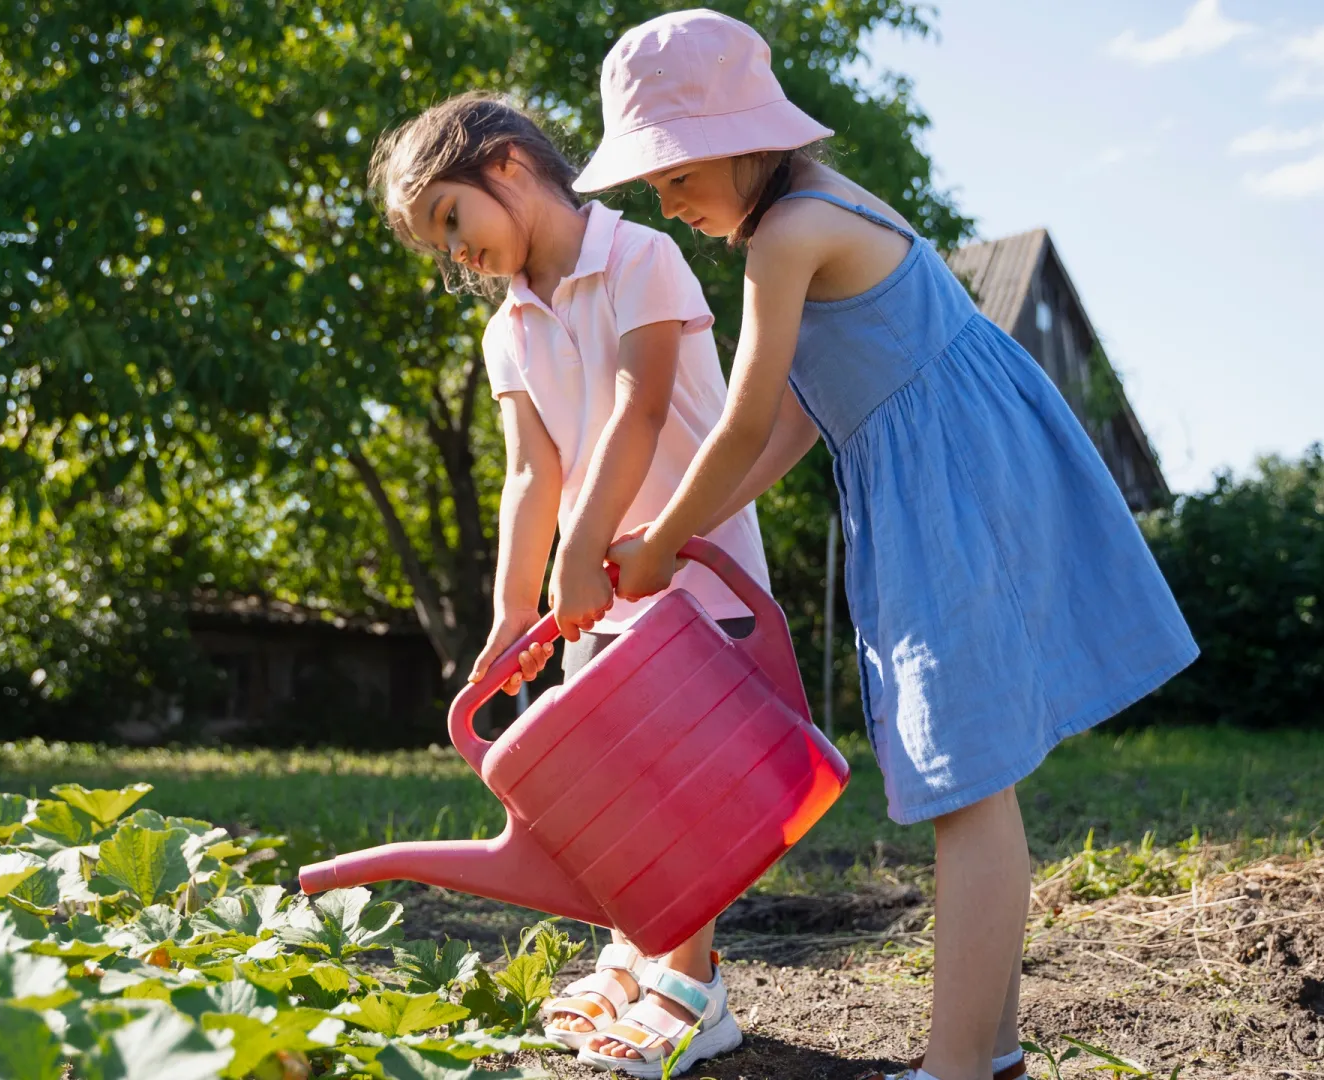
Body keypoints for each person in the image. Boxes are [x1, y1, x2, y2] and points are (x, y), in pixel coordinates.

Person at [586, 12, 1199, 1080]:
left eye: (672, 174)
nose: (667, 203)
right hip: (947, 475)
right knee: (974, 780)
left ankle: (958, 1067)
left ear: (736, 142)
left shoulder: (788, 235)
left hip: (950, 485)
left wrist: (663, 541)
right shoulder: (807, 219)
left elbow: (738, 418)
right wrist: (676, 540)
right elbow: (794, 418)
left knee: (965, 783)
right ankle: (990, 1054)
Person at [368, 90, 772, 1075]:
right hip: (589, 602)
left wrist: (579, 549)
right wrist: (516, 613)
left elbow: (640, 408)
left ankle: (694, 990)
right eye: (440, 250)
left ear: (506, 165)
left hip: (686, 580)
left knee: (682, 801)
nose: (456, 256)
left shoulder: (642, 257)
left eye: (452, 222)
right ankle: (634, 961)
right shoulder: (508, 326)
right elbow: (527, 472)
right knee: (615, 799)